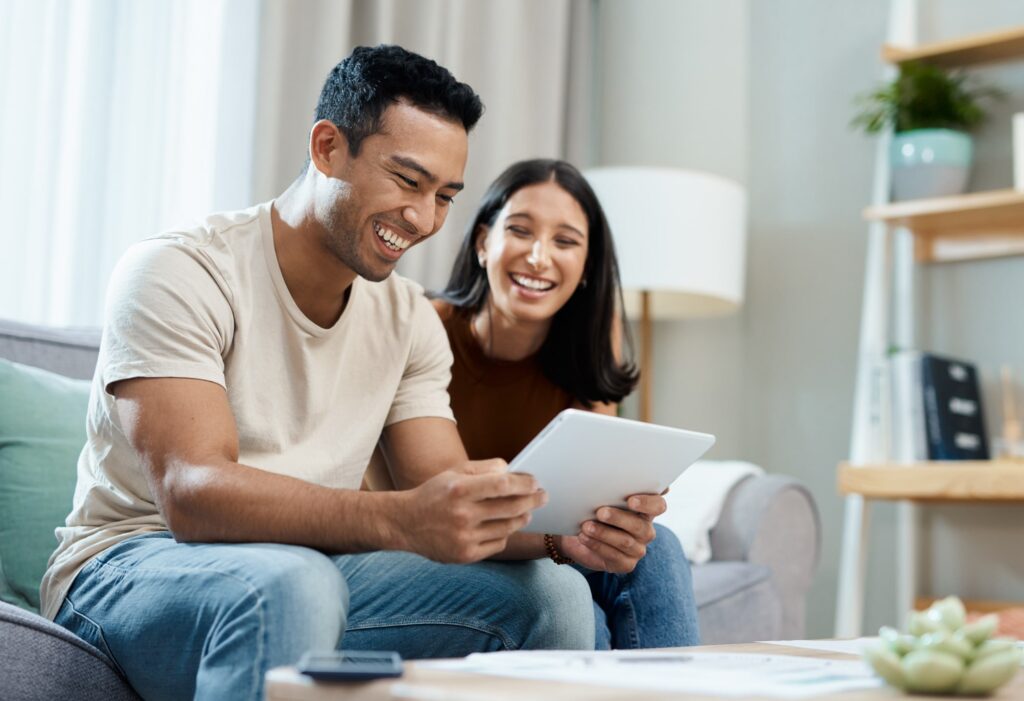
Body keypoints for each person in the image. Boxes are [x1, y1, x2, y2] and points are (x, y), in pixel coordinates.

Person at [40, 47, 597, 701]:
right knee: (293, 581)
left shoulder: (408, 318)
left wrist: (569, 535)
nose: (423, 219)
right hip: (130, 568)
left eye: (445, 196)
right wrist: (398, 520)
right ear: (329, 147)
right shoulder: (177, 271)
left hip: (311, 572)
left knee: (554, 595)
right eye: (407, 181)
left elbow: (442, 491)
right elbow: (191, 492)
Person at [433, 159, 701, 649]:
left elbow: (596, 499)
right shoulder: (425, 327)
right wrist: (558, 543)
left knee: (658, 550)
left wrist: (624, 517)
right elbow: (435, 513)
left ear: (586, 267)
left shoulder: (593, 342)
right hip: (454, 550)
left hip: (552, 544)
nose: (539, 257)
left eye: (565, 241)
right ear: (482, 242)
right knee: (582, 615)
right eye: (520, 230)